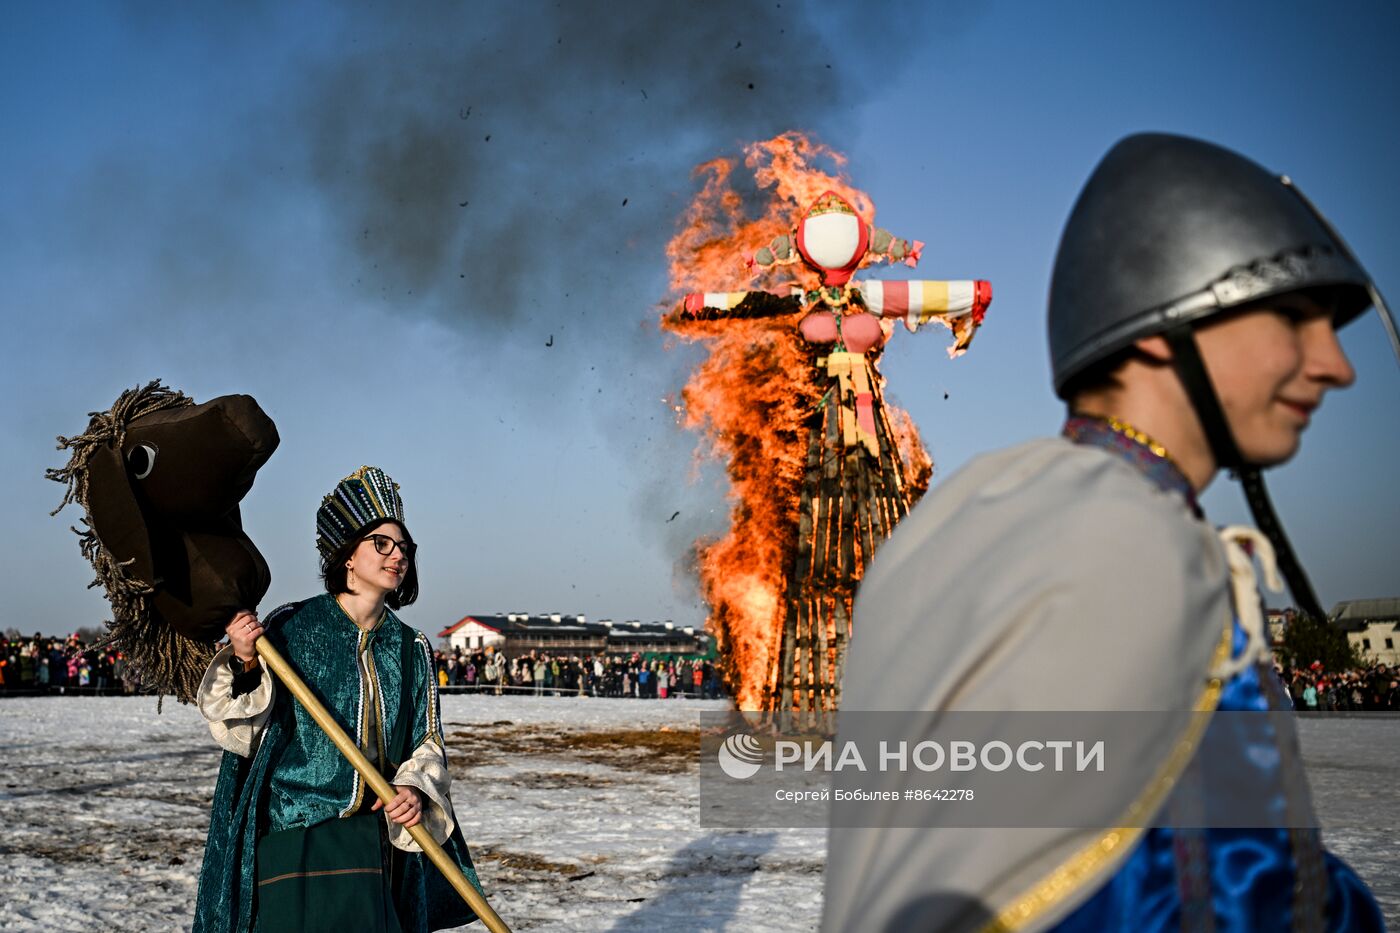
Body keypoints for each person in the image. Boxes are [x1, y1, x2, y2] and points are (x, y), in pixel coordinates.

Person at [821, 135, 1387, 931]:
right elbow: (1199, 892)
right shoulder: (1134, 541)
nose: (1336, 363)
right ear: (1164, 322)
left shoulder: (967, 517)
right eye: (1294, 318)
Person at [194, 466, 482, 932]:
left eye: (405, 548)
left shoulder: (411, 647)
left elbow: (426, 740)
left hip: (370, 843)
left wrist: (413, 790)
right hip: (295, 835)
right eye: (382, 544)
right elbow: (245, 732)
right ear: (348, 556)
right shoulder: (292, 627)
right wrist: (246, 658)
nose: (397, 556)